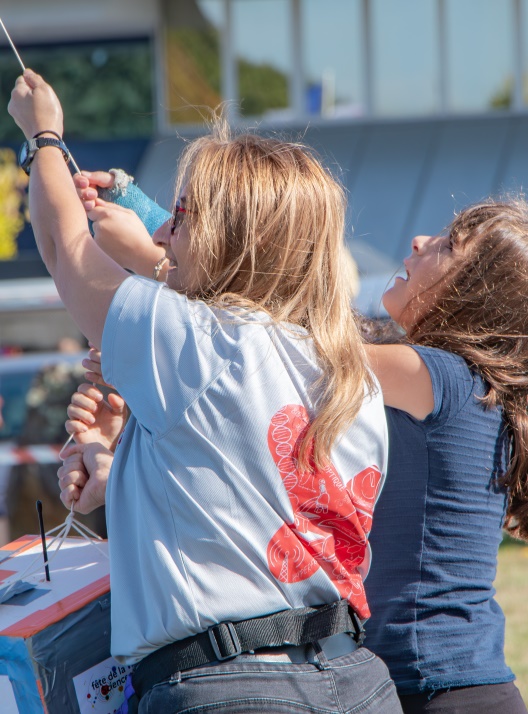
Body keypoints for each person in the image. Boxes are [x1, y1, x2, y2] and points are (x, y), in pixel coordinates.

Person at [8, 69, 402, 714]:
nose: (161, 234)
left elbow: (61, 243)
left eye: (180, 216)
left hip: (235, 689)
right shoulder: (344, 366)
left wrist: (42, 135)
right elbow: (248, 494)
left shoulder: (201, 339)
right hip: (354, 677)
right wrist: (128, 468)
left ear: (230, 237)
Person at [359, 203, 528, 713]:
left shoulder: (439, 375)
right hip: (449, 686)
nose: (418, 240)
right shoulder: (467, 386)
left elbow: (277, 350)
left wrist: (162, 261)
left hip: (437, 690)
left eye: (450, 244)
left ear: (478, 296)